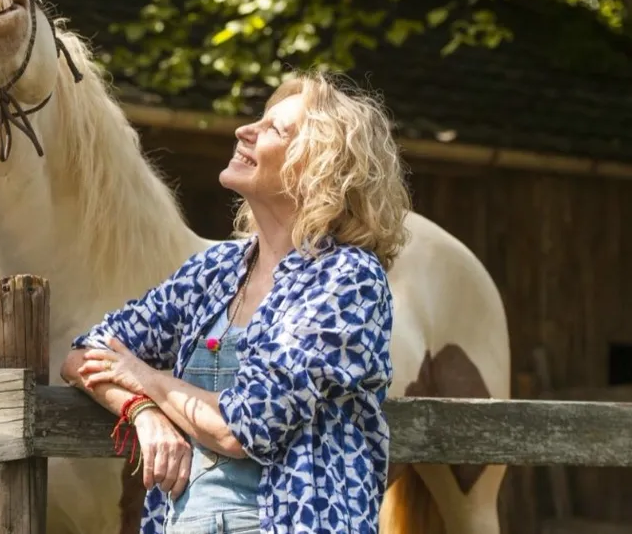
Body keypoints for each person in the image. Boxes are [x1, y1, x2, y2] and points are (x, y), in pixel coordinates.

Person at [60, 72, 411, 534]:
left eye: (275, 129)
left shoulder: (347, 279)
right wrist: (142, 413)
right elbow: (83, 355)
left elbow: (244, 428)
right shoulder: (215, 271)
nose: (244, 131)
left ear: (320, 167)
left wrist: (146, 377)